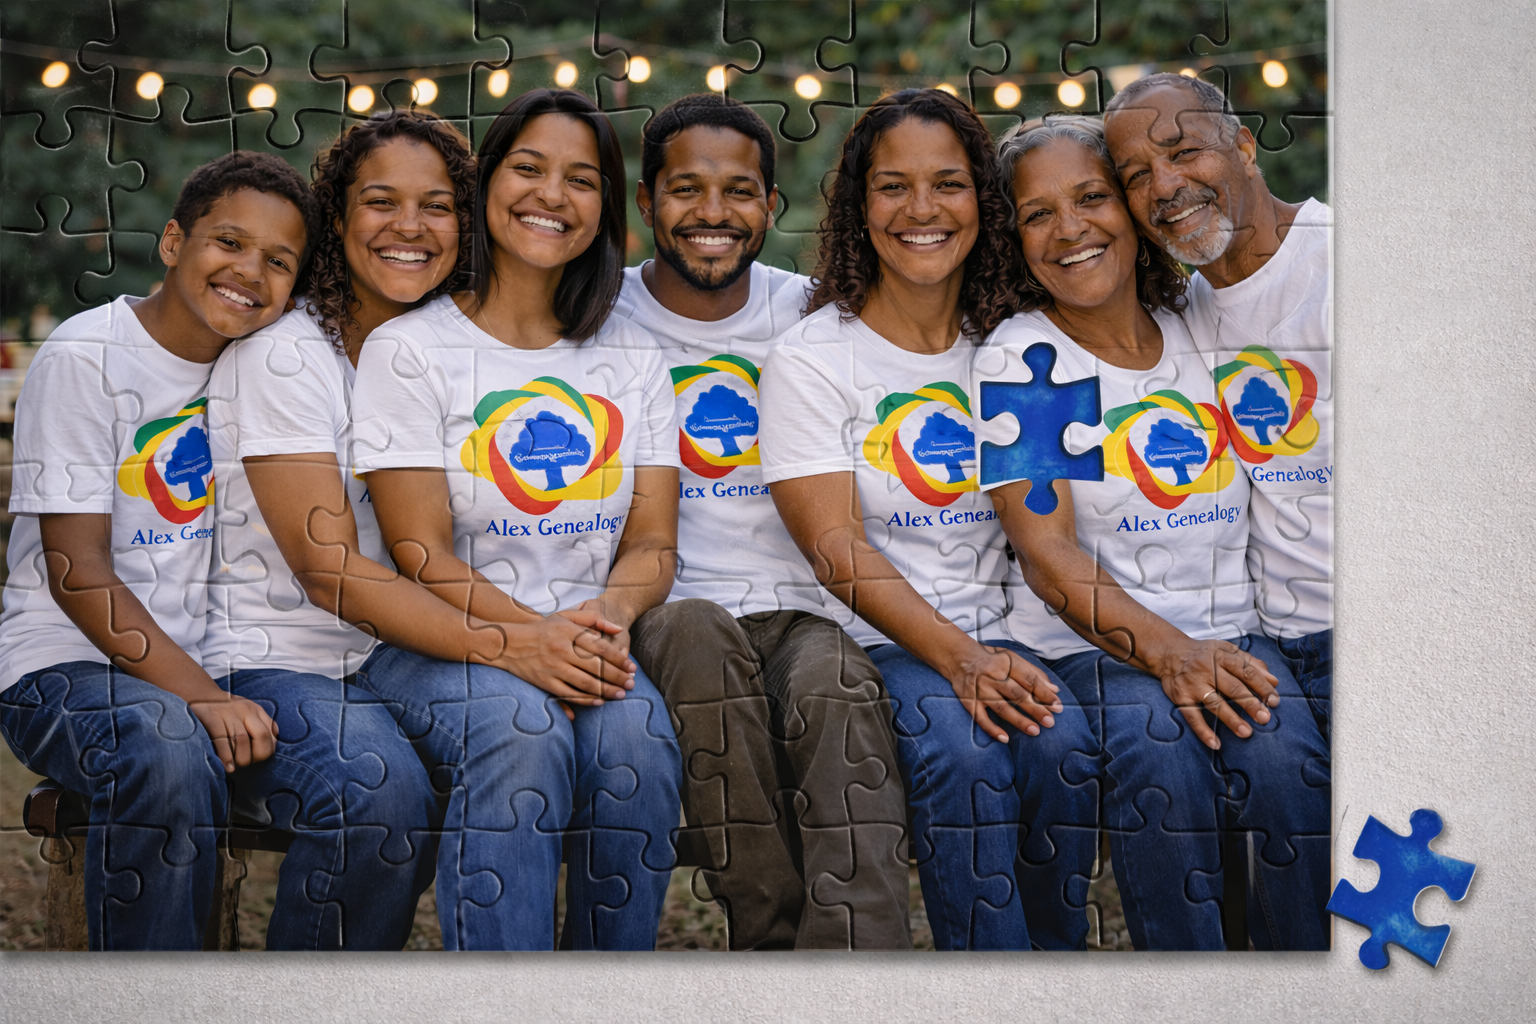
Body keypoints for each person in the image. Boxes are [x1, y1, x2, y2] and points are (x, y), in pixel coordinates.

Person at [973, 115, 1329, 950]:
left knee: (1290, 775)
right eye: (1037, 214)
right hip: (1098, 648)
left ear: (1134, 211)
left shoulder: (1197, 324)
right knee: (1161, 757)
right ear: (1012, 239)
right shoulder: (1028, 362)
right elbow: (1048, 554)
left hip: (1237, 631)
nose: (1070, 230)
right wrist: (1171, 651)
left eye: (1093, 197)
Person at [758, 89, 1099, 951]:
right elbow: (836, 549)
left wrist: (1000, 653)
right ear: (857, 206)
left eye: (947, 184)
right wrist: (964, 659)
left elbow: (1050, 530)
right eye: (892, 186)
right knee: (967, 755)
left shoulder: (1020, 344)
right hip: (883, 640)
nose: (920, 211)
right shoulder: (812, 359)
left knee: (1063, 753)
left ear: (982, 203)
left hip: (1012, 633)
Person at [348, 89, 683, 951]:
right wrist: (532, 639)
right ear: (486, 183)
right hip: (438, 644)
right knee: (522, 728)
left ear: (606, 208)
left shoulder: (633, 355)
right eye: (528, 168)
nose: (551, 195)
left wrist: (602, 624)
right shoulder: (409, 349)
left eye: (581, 179)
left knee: (640, 743)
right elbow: (420, 554)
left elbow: (651, 544)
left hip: (588, 637)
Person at [201, 112, 517, 948]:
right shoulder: (287, 355)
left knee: (521, 728)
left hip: (387, 655)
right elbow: (329, 569)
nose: (410, 228)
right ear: (336, 219)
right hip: (270, 660)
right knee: (376, 793)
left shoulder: (454, 352)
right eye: (381, 202)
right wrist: (511, 645)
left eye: (438, 206)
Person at [614, 93, 911, 950]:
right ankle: (770, 937)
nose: (714, 213)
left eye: (740, 191)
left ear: (772, 208)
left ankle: (858, 969)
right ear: (645, 202)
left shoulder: (818, 313)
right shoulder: (603, 318)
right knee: (700, 635)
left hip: (805, 610)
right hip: (669, 606)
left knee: (837, 686)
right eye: (686, 190)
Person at [0, 152, 315, 949]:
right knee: (170, 748)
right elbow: (75, 571)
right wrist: (201, 697)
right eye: (230, 243)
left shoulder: (260, 369)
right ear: (174, 242)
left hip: (202, 663)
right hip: (62, 668)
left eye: (279, 262)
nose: (251, 272)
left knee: (370, 778)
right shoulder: (86, 356)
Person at [1104, 73, 1333, 738]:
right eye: (1136, 174)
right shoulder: (1180, 316)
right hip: (1268, 652)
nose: (1166, 187)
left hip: (1387, 637)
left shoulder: (1351, 268)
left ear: (1245, 145)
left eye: (1184, 152)